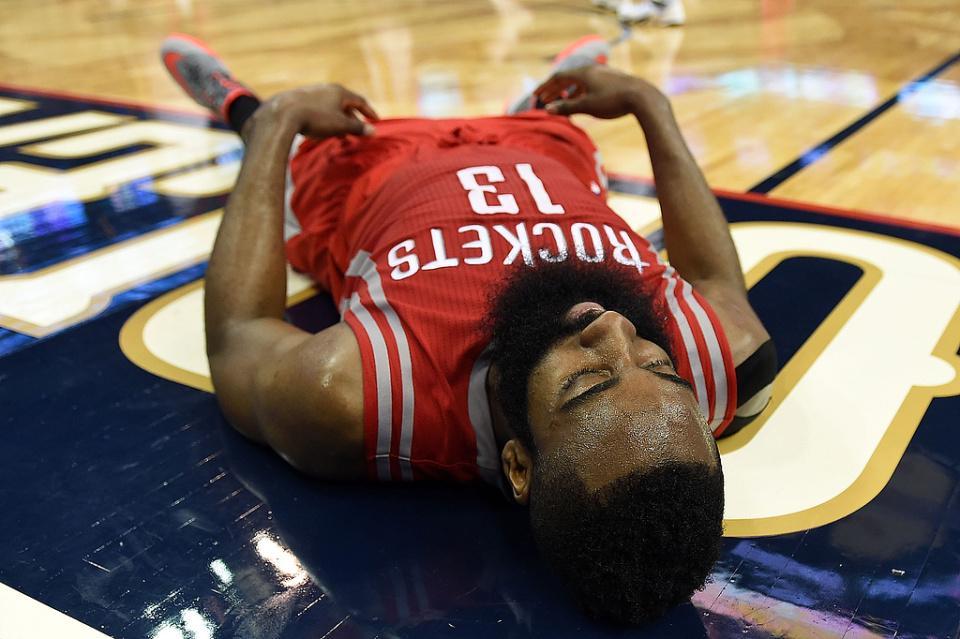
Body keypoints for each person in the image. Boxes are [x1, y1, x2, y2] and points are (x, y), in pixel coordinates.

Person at [161, 32, 776, 624]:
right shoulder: (717, 363)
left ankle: (236, 104)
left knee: (289, 156)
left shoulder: (365, 394)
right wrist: (649, 105)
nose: (614, 327)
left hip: (357, 155)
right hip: (544, 148)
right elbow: (715, 275)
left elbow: (239, 332)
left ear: (519, 466)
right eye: (659, 365)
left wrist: (277, 121)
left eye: (587, 382)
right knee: (556, 121)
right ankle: (538, 104)